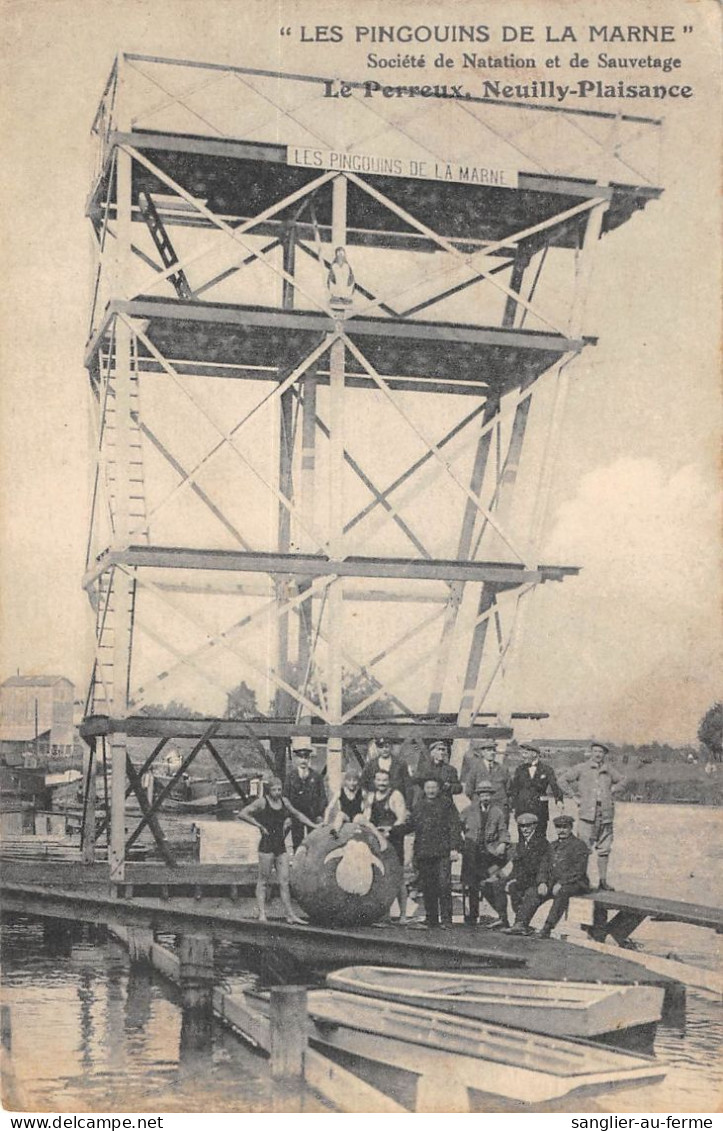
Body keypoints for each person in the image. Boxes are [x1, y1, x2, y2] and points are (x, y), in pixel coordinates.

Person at [237, 777, 317, 924]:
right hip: (266, 845)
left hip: (280, 845)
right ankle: (262, 913)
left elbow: (297, 815)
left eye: (279, 789)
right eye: (274, 790)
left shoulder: (284, 802)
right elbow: (242, 814)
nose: (277, 792)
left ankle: (290, 915)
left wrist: (314, 826)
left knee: (284, 881)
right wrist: (259, 825)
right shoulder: (262, 802)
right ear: (269, 790)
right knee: (263, 881)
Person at [503, 814, 590, 938]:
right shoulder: (552, 845)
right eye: (559, 827)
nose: (562, 830)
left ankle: (547, 928)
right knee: (533, 891)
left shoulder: (579, 845)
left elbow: (578, 870)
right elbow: (543, 866)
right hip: (553, 882)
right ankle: (521, 923)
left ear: (571, 828)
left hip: (575, 883)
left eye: (565, 827)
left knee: (562, 893)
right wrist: (542, 882)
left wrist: (562, 883)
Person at [558, 742, 625, 891]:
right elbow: (562, 780)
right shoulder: (581, 768)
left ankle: (603, 881)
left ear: (604, 755)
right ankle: (581, 880)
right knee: (583, 848)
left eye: (601, 752)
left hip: (605, 814)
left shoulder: (608, 770)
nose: (598, 754)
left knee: (604, 848)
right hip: (587, 815)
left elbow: (623, 780)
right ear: (590, 752)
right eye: (595, 751)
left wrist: (612, 790)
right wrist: (574, 796)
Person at [408, 777, 462, 930]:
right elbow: (411, 825)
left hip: (443, 852)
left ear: (438, 788)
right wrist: (393, 831)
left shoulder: (447, 804)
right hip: (424, 852)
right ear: (424, 789)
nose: (431, 790)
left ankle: (446, 919)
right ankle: (431, 918)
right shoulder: (419, 805)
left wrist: (454, 848)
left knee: (444, 885)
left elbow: (455, 826)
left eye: (434, 787)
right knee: (428, 886)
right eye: (428, 787)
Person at [460, 779, 510, 927]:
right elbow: (456, 824)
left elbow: (503, 831)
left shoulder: (497, 812)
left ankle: (501, 916)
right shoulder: (469, 810)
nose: (485, 798)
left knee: (490, 882)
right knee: (472, 884)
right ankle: (473, 916)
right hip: (472, 852)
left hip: (489, 853)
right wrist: (463, 840)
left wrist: (502, 843)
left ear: (491, 796)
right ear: (478, 796)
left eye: (488, 795)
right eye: (482, 795)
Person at [362, 768, 409, 924]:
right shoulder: (370, 796)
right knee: (381, 877)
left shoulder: (395, 795)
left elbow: (401, 818)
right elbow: (367, 817)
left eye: (384, 780)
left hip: (393, 839)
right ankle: (385, 915)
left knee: (398, 877)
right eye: (379, 780)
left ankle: (403, 915)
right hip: (377, 838)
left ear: (389, 781)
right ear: (375, 781)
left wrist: (390, 831)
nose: (381, 783)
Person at [499, 811, 550, 925]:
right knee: (510, 886)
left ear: (535, 826)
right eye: (522, 826)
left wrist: (542, 882)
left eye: (528, 826)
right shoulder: (522, 844)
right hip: (526, 879)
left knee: (530, 892)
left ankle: (520, 923)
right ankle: (511, 920)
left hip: (537, 880)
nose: (525, 829)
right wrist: (508, 879)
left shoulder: (541, 842)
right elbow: (517, 865)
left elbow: (543, 865)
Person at [509, 743, 563, 833]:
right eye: (522, 753)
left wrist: (559, 800)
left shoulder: (547, 769)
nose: (523, 756)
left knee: (540, 836)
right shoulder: (519, 769)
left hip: (540, 809)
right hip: (523, 809)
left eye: (525, 753)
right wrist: (513, 805)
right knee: (523, 836)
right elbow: (515, 789)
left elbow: (554, 786)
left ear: (534, 754)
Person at [283, 747, 327, 851]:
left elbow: (323, 797)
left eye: (306, 758)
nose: (303, 760)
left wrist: (320, 815)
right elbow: (285, 797)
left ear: (309, 760)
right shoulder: (290, 777)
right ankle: (298, 864)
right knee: (297, 842)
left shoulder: (316, 777)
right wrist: (288, 816)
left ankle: (311, 865)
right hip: (296, 815)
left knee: (313, 842)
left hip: (312, 814)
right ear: (296, 759)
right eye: (301, 757)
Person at [463, 738, 510, 819]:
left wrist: (505, 804)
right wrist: (478, 801)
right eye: (489, 750)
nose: (492, 753)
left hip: (499, 807)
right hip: (481, 808)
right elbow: (469, 790)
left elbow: (509, 789)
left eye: (494, 750)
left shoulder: (502, 769)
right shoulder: (475, 768)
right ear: (482, 752)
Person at [413, 739, 463, 806]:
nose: (442, 752)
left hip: (444, 804)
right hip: (427, 803)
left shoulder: (450, 769)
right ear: (432, 752)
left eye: (443, 750)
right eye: (439, 750)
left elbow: (459, 788)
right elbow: (415, 780)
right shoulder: (424, 768)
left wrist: (449, 787)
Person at [360, 736, 410, 801]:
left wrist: (408, 805)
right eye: (381, 747)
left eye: (386, 746)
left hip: (396, 801)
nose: (384, 749)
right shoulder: (370, 764)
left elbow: (408, 785)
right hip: (376, 802)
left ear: (391, 747)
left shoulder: (400, 764)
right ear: (377, 748)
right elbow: (363, 783)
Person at [324, 769, 365, 836]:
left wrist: (366, 816)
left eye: (354, 780)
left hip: (357, 815)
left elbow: (367, 807)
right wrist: (325, 821)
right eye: (349, 780)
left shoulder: (361, 792)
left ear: (358, 781)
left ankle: (357, 830)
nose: (352, 783)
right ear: (345, 781)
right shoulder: (340, 792)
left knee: (359, 817)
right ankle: (335, 831)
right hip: (346, 816)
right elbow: (329, 807)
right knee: (340, 814)